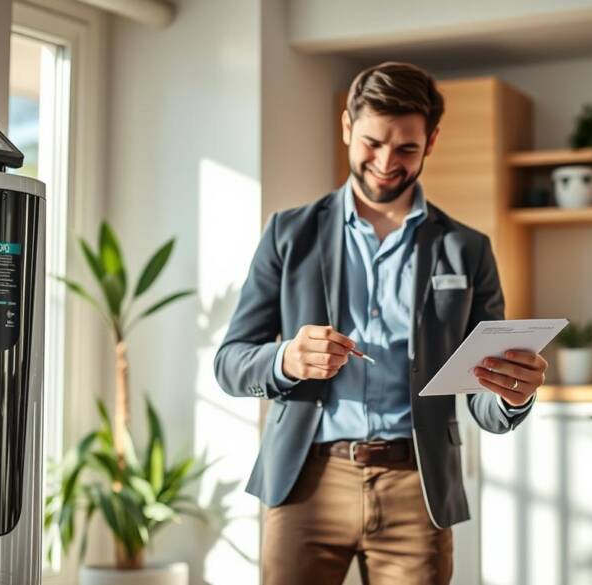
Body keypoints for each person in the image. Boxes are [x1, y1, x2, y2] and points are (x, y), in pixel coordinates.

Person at [213, 61, 549, 585]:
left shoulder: (467, 249)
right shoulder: (288, 233)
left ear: (431, 141)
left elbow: (483, 392)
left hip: (417, 484)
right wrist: (285, 358)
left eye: (407, 148)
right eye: (372, 142)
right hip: (305, 479)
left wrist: (513, 393)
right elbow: (230, 364)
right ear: (347, 126)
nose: (386, 162)